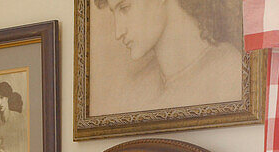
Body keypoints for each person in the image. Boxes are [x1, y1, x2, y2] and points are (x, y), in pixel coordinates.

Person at [93, 0, 242, 112]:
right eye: (114, 13)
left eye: (124, 8)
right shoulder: (137, 88)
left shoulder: (230, 71)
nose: (118, 32)